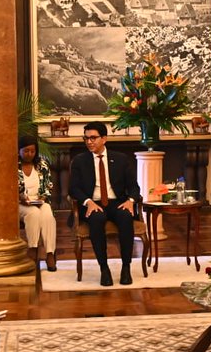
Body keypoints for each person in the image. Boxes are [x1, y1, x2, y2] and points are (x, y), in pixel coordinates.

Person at [68, 121, 142, 286]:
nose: (89, 142)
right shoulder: (80, 161)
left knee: (125, 216)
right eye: (86, 138)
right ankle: (104, 268)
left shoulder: (121, 159)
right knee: (96, 218)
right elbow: (73, 189)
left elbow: (134, 187)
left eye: (93, 138)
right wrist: (87, 202)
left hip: (117, 202)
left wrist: (130, 201)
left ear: (104, 139)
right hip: (93, 203)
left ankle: (126, 267)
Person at [18, 135, 57, 271]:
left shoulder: (42, 165)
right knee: (33, 213)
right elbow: (7, 189)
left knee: (47, 214)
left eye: (33, 151)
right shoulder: (12, 166)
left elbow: (48, 186)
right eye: (26, 151)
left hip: (39, 201)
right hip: (19, 204)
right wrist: (20, 197)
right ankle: (33, 248)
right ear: (19, 150)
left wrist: (43, 198)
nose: (30, 154)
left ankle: (50, 252)